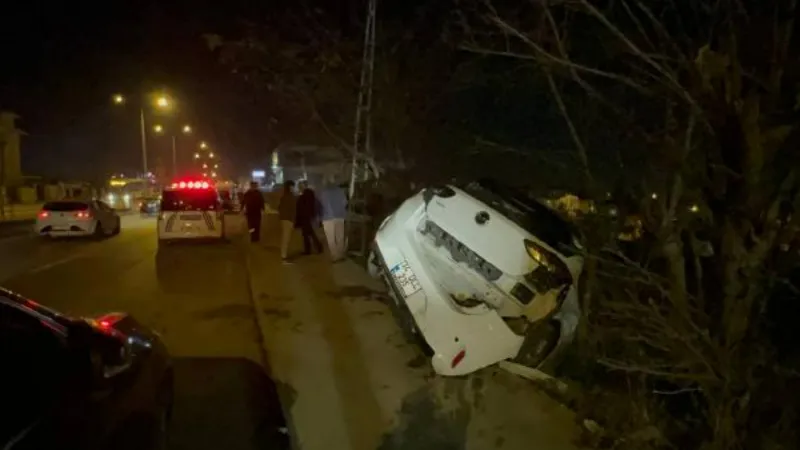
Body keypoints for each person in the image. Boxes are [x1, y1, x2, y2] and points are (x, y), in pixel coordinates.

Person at [318, 176, 348, 261]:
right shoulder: (340, 191)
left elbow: (322, 205)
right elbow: (345, 203)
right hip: (340, 216)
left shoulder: (324, 192)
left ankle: (335, 256)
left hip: (328, 218)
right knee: (340, 236)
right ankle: (340, 254)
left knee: (331, 238)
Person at [295, 181, 324, 255]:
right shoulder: (310, 195)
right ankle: (317, 247)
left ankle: (309, 249)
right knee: (310, 233)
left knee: (306, 234)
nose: (299, 188)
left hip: (305, 217)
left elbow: (300, 208)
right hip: (308, 217)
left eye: (300, 186)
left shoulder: (304, 196)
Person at [278, 180, 297, 263]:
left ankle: (284, 254)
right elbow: (293, 210)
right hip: (289, 219)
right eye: (293, 186)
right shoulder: (291, 197)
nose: (294, 188)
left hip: (283, 218)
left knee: (285, 237)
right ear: (290, 187)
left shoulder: (284, 196)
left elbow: (280, 207)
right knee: (286, 237)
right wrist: (293, 220)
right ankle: (284, 256)